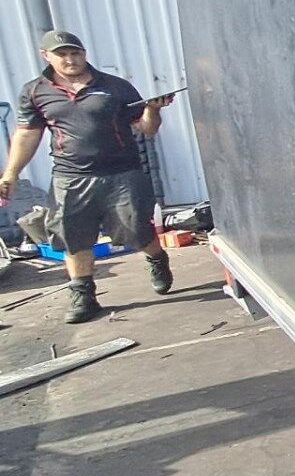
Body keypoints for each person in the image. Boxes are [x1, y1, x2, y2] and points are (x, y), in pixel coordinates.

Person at [0, 30, 176, 323]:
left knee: (135, 231)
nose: (70, 59)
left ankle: (157, 258)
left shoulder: (116, 87)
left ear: (84, 53)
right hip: (70, 177)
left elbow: (147, 128)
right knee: (73, 236)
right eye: (62, 54)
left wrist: (153, 110)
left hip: (122, 173)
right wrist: (11, 174)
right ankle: (83, 295)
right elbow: (27, 135)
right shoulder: (35, 91)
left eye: (76, 53)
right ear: (46, 56)